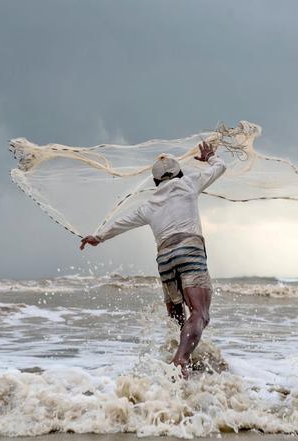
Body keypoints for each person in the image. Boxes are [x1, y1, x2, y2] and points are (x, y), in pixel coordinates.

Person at [80, 141, 226, 378]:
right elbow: (220, 167)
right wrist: (209, 156)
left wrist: (99, 237)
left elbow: (122, 222)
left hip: (165, 259)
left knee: (178, 316)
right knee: (200, 314)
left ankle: (177, 355)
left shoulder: (149, 205)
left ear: (156, 182)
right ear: (179, 174)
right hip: (189, 250)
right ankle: (182, 359)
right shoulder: (188, 183)